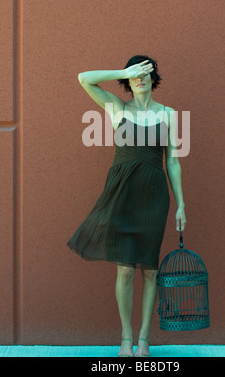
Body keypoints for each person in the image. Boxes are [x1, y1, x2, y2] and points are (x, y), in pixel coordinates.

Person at [67, 55, 186, 357]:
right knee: (124, 270)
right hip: (122, 195)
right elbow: (84, 77)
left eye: (145, 72)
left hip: (154, 197)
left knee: (149, 270)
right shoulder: (116, 108)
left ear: (153, 77)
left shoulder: (169, 114)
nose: (140, 78)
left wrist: (181, 205)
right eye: (134, 74)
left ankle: (144, 339)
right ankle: (126, 337)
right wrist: (123, 70)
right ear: (127, 80)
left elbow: (172, 161)